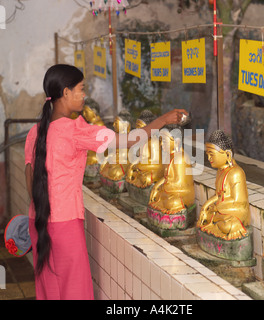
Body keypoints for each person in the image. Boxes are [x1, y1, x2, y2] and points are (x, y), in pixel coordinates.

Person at [25, 64, 188, 300]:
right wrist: (164, 119)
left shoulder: (35, 131)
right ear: (66, 92)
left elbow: (29, 174)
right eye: (81, 89)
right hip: (65, 225)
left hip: (37, 221)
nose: (84, 95)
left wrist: (39, 208)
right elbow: (131, 140)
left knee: (48, 288)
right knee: (74, 290)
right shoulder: (76, 130)